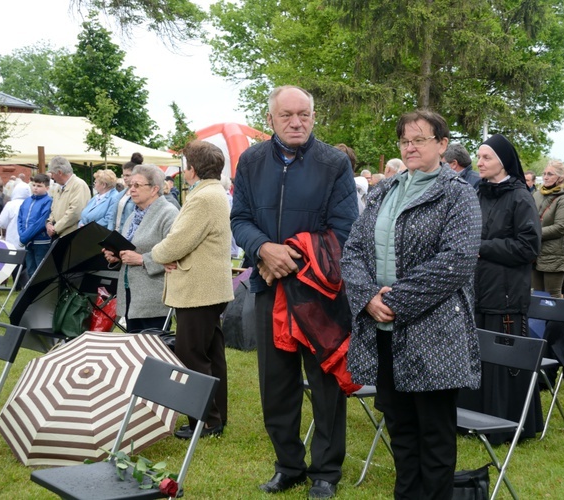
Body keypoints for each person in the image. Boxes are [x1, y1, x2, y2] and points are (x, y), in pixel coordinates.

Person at [342, 110, 481, 498]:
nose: (410, 146)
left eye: (420, 139)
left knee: (434, 433)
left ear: (441, 144)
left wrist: (396, 300)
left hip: (434, 332)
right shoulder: (384, 190)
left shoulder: (458, 193)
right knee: (400, 427)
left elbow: (458, 259)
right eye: (405, 140)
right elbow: (353, 250)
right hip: (385, 330)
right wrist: (369, 297)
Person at [230, 85, 358, 498]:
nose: (296, 122)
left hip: (318, 294)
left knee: (325, 386)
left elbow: (344, 229)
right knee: (276, 383)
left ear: (314, 116)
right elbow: (241, 219)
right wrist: (263, 250)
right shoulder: (250, 161)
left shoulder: (333, 162)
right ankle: (289, 464)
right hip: (267, 289)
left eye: (304, 114)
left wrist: (289, 256)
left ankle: (325, 471)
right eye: (287, 115)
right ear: (271, 119)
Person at [457, 133, 542, 445]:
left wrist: (482, 247)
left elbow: (529, 247)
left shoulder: (520, 197)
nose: (480, 162)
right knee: (476, 357)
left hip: (506, 295)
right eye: (479, 157)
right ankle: (470, 421)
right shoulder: (477, 193)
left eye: (486, 157)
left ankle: (506, 425)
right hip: (476, 291)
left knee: (502, 364)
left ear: (504, 162)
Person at [152, 141, 234, 439]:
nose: (182, 169)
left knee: (192, 355)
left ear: (193, 169)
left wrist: (160, 254)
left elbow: (178, 241)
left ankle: (206, 420)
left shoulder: (203, 198)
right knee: (210, 355)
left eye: (185, 164)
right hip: (207, 288)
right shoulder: (213, 193)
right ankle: (215, 418)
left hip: (199, 289)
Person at [102, 164, 178, 332]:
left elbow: (175, 254)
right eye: (130, 186)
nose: (131, 190)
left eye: (137, 185)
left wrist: (142, 259)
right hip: (131, 296)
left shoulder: (169, 214)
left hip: (154, 299)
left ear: (154, 189)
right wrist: (117, 256)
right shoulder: (133, 216)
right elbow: (132, 250)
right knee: (134, 352)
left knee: (153, 352)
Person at [532, 160, 564, 297]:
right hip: (535, 251)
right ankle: (538, 319)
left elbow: (560, 227)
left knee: (552, 295)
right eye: (544, 173)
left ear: (561, 177)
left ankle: (555, 320)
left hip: (554, 254)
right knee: (537, 295)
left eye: (550, 174)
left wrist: (534, 233)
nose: (545, 177)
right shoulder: (537, 194)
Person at [18, 174, 53, 278]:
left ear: (47, 188)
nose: (35, 188)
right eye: (34, 185)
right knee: (30, 269)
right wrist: (22, 234)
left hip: (41, 241)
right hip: (28, 242)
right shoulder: (27, 201)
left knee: (41, 270)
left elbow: (41, 222)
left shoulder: (48, 201)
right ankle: (31, 292)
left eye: (39, 186)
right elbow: (19, 219)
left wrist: (24, 237)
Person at [46, 157, 90, 238]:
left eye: (52, 173)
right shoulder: (58, 187)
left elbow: (75, 212)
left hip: (71, 237)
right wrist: (49, 223)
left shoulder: (78, 185)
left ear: (59, 172)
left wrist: (55, 228)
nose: (52, 177)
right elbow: (53, 209)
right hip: (58, 235)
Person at [114, 154, 143, 231]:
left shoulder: (140, 194)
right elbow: (113, 215)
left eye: (127, 175)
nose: (124, 178)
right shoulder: (121, 194)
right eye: (123, 175)